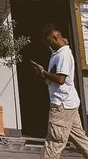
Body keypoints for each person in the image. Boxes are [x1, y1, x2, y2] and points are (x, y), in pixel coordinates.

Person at [31, 23, 88, 159]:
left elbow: (61, 79)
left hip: (62, 105)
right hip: (69, 104)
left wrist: (43, 72)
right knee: (81, 140)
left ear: (55, 38)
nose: (47, 45)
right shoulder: (58, 53)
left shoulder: (63, 55)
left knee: (53, 143)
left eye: (49, 41)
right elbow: (55, 78)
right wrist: (43, 73)